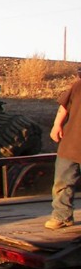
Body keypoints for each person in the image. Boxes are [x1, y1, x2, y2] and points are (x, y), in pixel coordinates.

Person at [45, 69, 81, 229]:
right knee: (62, 182)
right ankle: (62, 216)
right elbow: (64, 107)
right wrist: (56, 125)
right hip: (71, 143)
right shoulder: (77, 86)